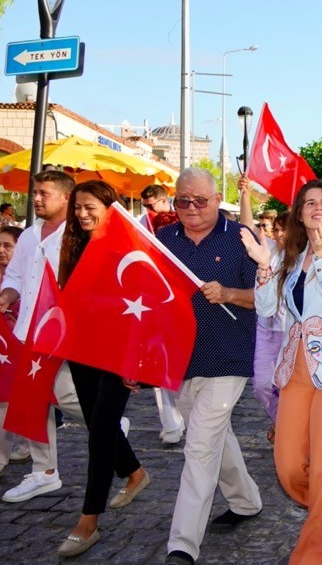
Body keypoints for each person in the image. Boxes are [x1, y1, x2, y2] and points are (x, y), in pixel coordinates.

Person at [242, 179, 322, 564]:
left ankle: (316, 554)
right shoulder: (289, 256)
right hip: (295, 368)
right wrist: (265, 267)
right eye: (307, 202)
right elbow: (266, 309)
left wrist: (320, 249)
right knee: (288, 466)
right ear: (298, 213)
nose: (315, 207)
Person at [157, 167, 263, 565]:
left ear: (218, 199)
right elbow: (148, 300)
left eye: (199, 200)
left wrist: (230, 293)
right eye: (182, 200)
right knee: (217, 437)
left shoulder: (241, 239)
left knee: (199, 445)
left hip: (229, 356)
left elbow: (264, 298)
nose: (190, 208)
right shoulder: (163, 239)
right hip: (181, 360)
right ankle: (246, 500)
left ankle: (182, 545)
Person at [54, 181, 151, 558]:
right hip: (82, 348)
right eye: (77, 207)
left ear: (110, 207)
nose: (82, 213)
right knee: (98, 424)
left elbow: (143, 306)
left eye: (90, 206)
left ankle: (87, 521)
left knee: (101, 432)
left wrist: (134, 358)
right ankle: (136, 473)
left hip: (117, 351)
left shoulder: (129, 245)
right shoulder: (74, 245)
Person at [0, 171, 85, 503]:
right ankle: (44, 470)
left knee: (58, 392)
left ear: (64, 198)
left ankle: (108, 421)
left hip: (62, 331)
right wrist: (8, 295)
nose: (37, 198)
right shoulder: (29, 235)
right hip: (29, 329)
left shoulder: (78, 236)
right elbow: (15, 276)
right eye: (35, 193)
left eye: (44, 193)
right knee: (35, 395)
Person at [238, 176, 286, 442]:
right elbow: (246, 228)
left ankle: (289, 430)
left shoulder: (303, 256)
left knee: (289, 388)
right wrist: (245, 194)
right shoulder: (268, 250)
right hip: (267, 330)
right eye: (276, 229)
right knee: (261, 386)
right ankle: (282, 421)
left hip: (292, 333)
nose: (279, 234)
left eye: (284, 230)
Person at [138, 183, 185, 446]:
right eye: (145, 206)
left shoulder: (181, 222)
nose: (148, 210)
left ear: (164, 201)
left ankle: (181, 417)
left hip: (179, 301)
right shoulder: (142, 224)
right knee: (160, 363)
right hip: (156, 301)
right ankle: (170, 422)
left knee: (181, 363)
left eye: (151, 205)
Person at [0, 226, 28, 476]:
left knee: (3, 398)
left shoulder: (27, 277)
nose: (0, 250)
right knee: (31, 400)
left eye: (7, 245)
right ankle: (28, 444)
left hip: (18, 345)